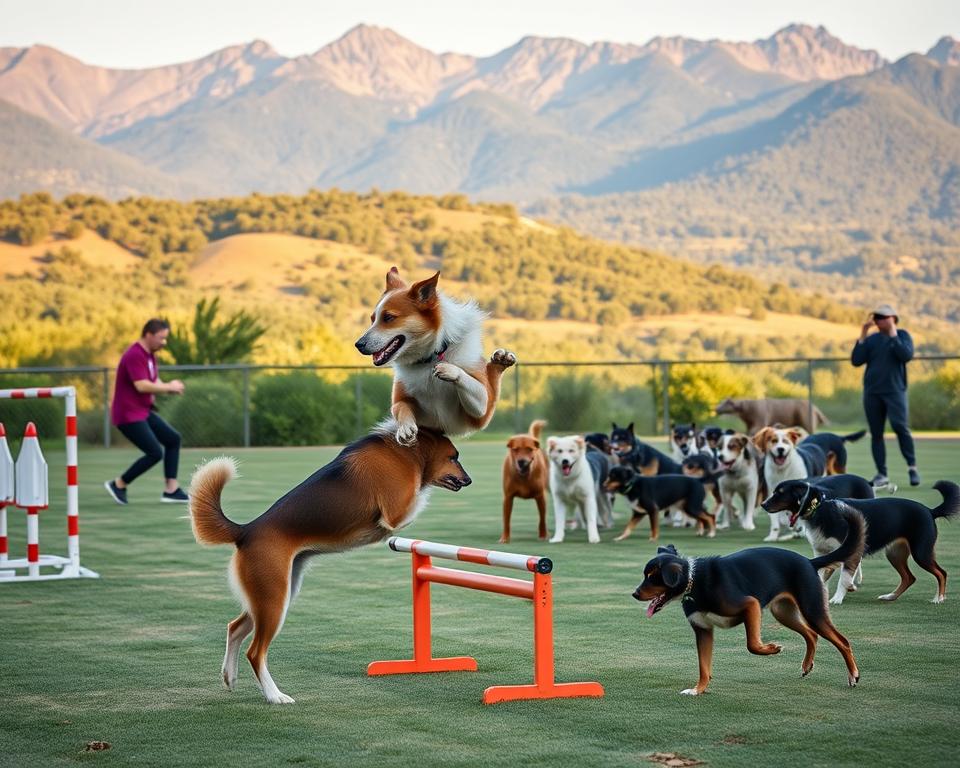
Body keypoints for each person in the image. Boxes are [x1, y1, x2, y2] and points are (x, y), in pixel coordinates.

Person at [104, 319, 189, 504]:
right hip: (127, 414)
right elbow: (141, 385)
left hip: (142, 411)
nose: (164, 343)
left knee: (173, 439)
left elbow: (153, 380)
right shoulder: (135, 354)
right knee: (155, 453)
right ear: (148, 335)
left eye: (165, 338)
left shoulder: (150, 355)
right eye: (161, 338)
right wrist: (169, 386)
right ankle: (119, 484)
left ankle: (171, 490)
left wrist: (169, 387)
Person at [851, 303, 919, 489]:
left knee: (900, 427)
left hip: (895, 391)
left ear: (893, 318)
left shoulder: (903, 336)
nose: (878, 320)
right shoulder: (872, 340)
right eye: (877, 317)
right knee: (877, 434)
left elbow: (906, 355)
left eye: (882, 317)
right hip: (872, 392)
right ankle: (882, 474)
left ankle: (912, 467)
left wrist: (893, 334)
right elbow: (856, 360)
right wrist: (863, 334)